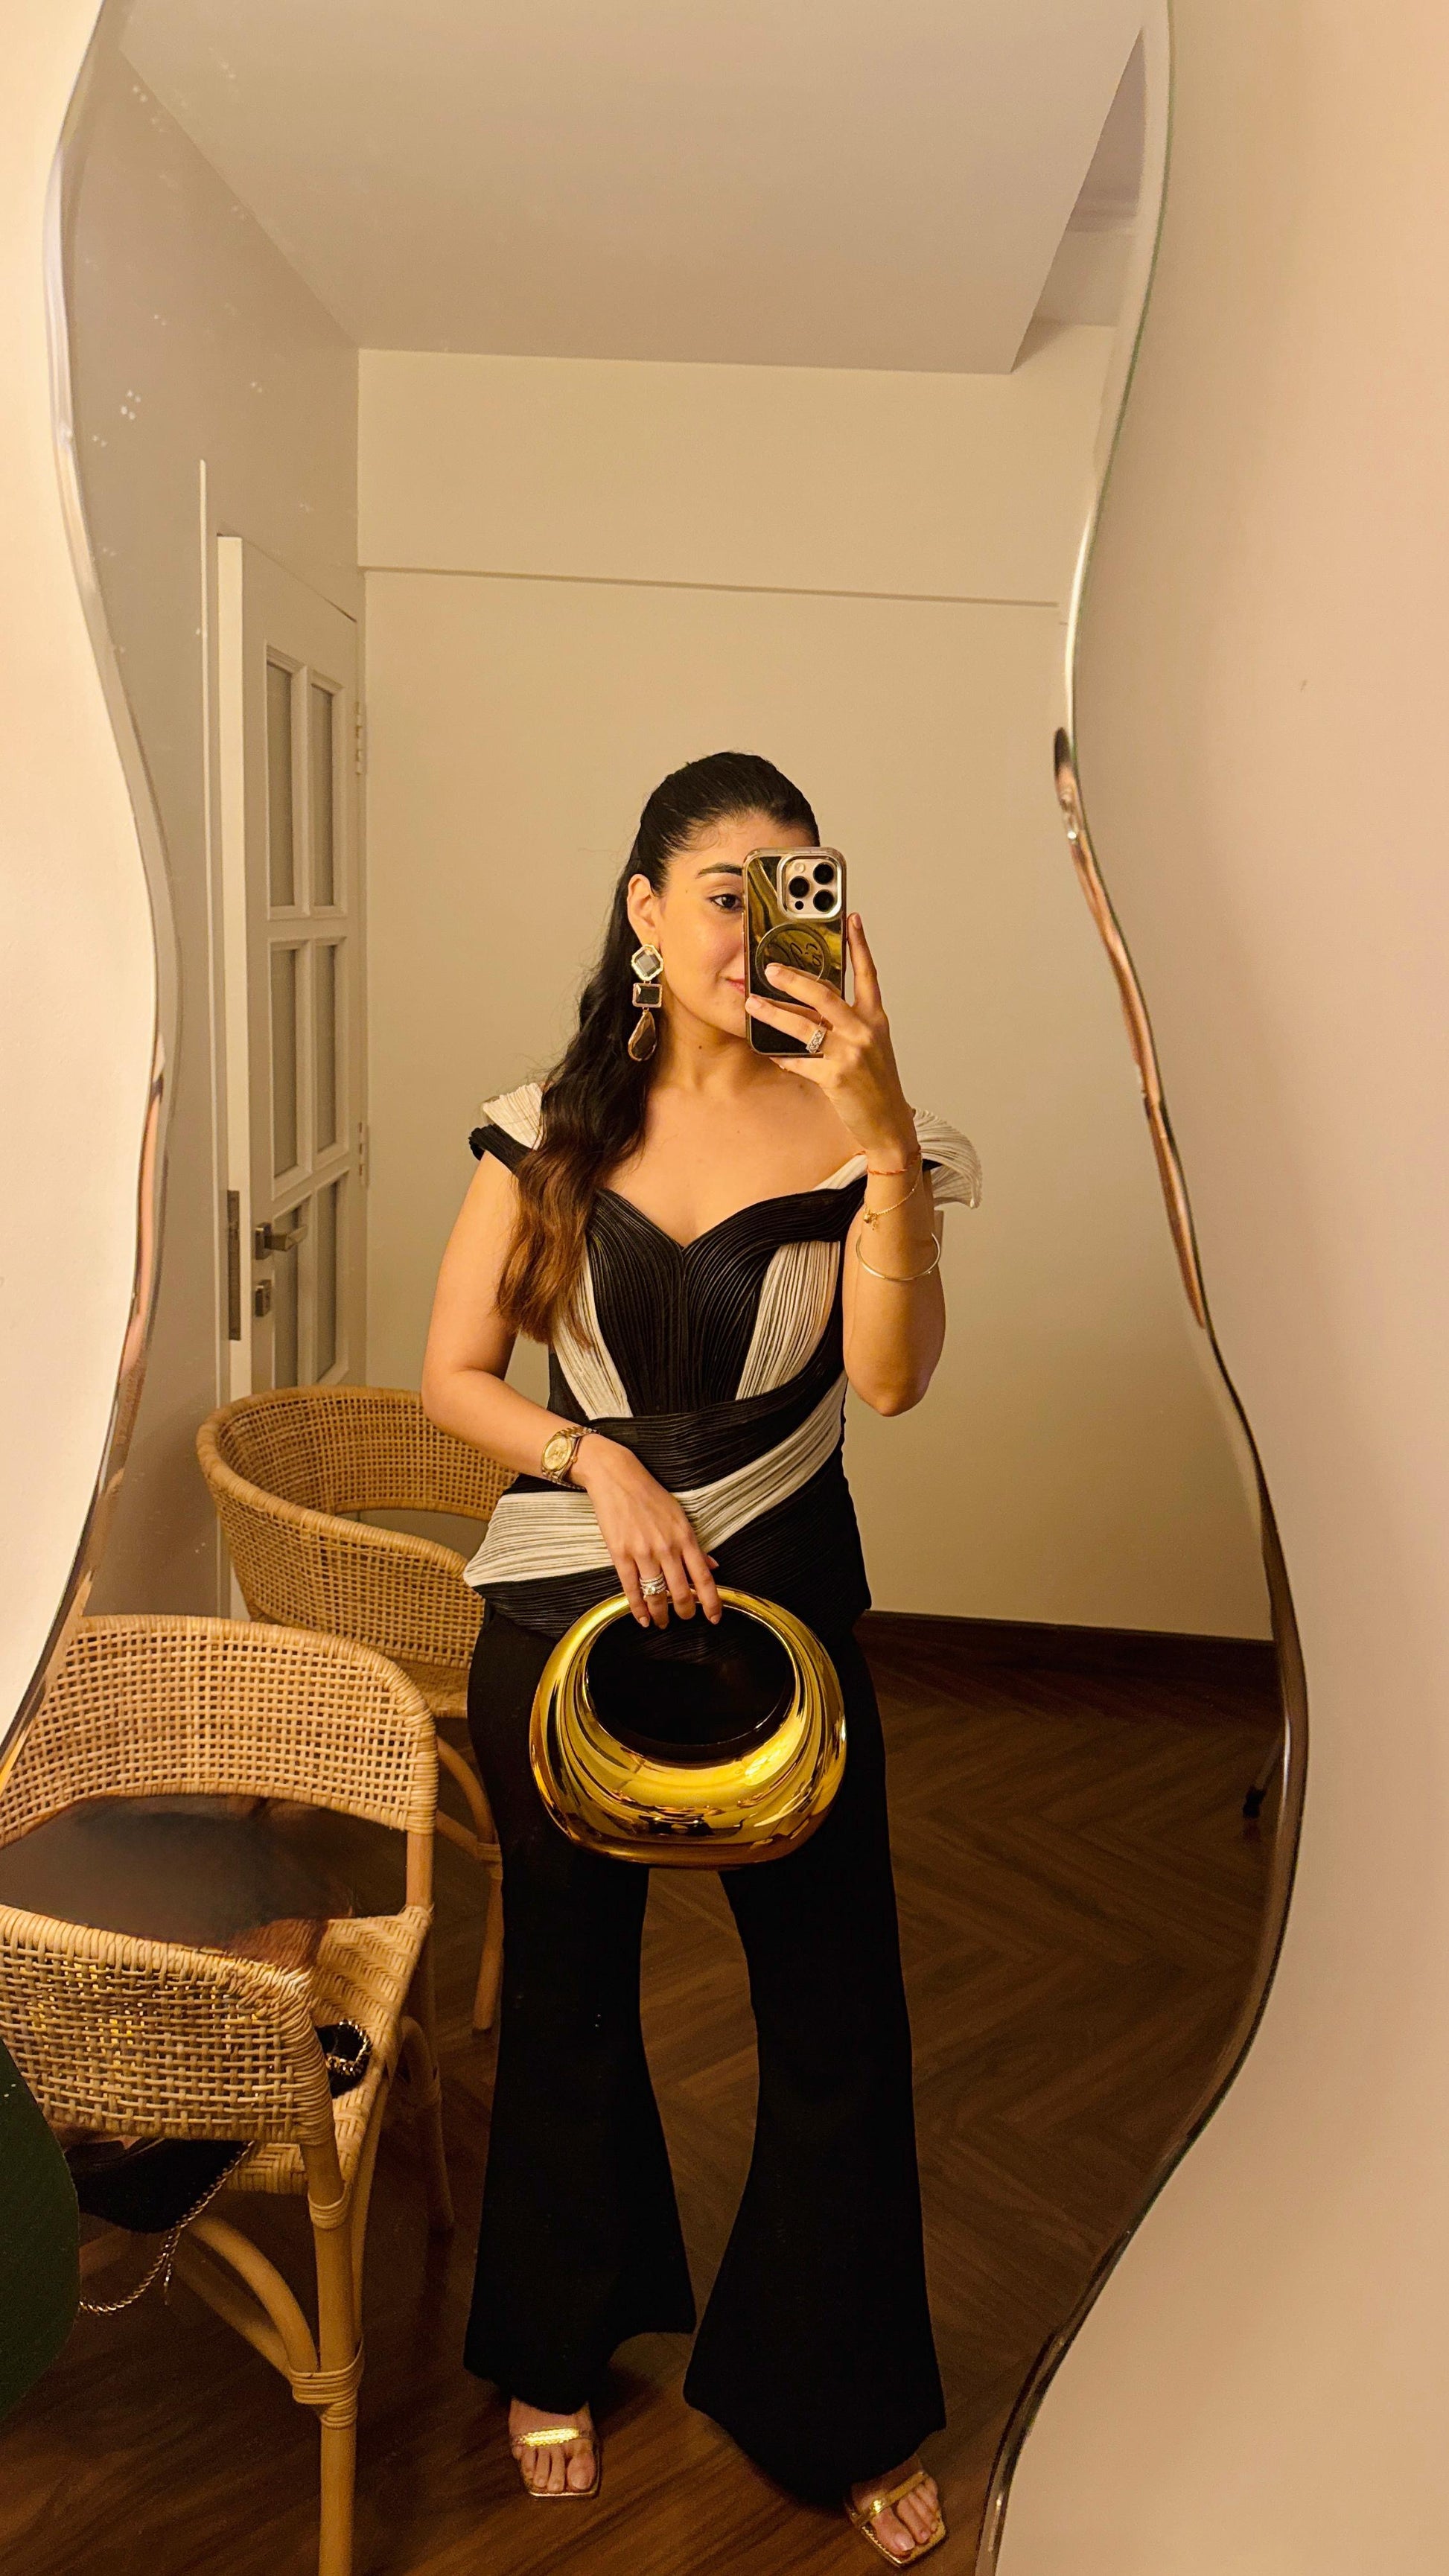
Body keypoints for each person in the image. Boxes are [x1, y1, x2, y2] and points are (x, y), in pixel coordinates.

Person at [422, 751, 979, 2565]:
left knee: (835, 2013)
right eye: (722, 889)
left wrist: (884, 1135)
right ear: (645, 913)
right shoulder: (543, 1127)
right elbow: (452, 1378)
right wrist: (594, 1460)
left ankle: (842, 2397)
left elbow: (890, 1379)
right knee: (568, 1992)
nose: (753, 925)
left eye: (791, 886)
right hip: (563, 1614)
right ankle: (555, 2341)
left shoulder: (855, 1136)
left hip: (785, 1624)